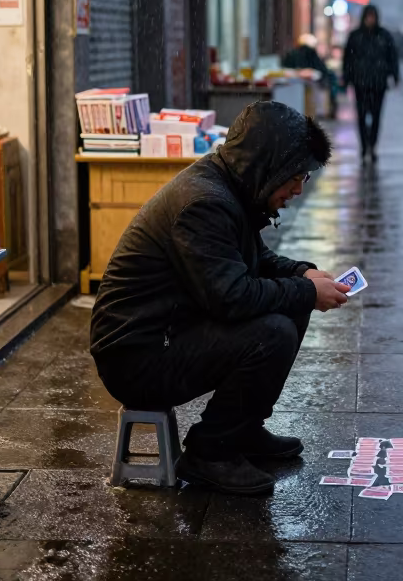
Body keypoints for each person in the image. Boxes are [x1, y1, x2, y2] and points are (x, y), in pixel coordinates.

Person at [90, 101, 351, 497]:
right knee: (275, 330)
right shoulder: (205, 202)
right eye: (295, 176)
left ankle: (242, 430)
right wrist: (305, 291)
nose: (298, 189)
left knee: (292, 304)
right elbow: (231, 297)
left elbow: (254, 258)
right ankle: (210, 451)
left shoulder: (230, 186)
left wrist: (302, 274)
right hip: (137, 356)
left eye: (305, 178)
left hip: (170, 329)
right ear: (269, 165)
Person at [343, 4, 399, 159]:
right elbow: (348, 59)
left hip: (378, 83)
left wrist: (394, 75)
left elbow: (392, 57)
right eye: (368, 17)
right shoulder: (355, 36)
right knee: (361, 116)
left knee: (376, 116)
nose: (370, 20)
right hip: (360, 83)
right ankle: (364, 145)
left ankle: (372, 145)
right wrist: (347, 78)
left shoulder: (384, 36)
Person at [283, 33, 337, 116]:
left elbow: (286, 66)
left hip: (293, 86)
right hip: (310, 86)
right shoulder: (311, 54)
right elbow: (321, 68)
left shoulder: (293, 53)